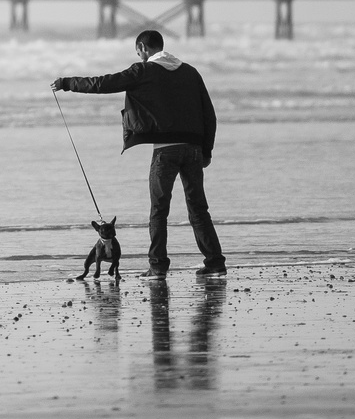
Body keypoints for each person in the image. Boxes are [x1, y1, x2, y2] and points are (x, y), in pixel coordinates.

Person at [52, 29, 225, 277]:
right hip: (193, 149)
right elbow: (209, 113)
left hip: (165, 151)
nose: (140, 56)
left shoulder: (143, 71)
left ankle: (158, 266)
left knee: (159, 210)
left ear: (143, 48)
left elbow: (104, 83)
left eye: (139, 52)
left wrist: (67, 83)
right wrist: (206, 149)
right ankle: (215, 262)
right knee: (198, 208)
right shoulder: (190, 72)